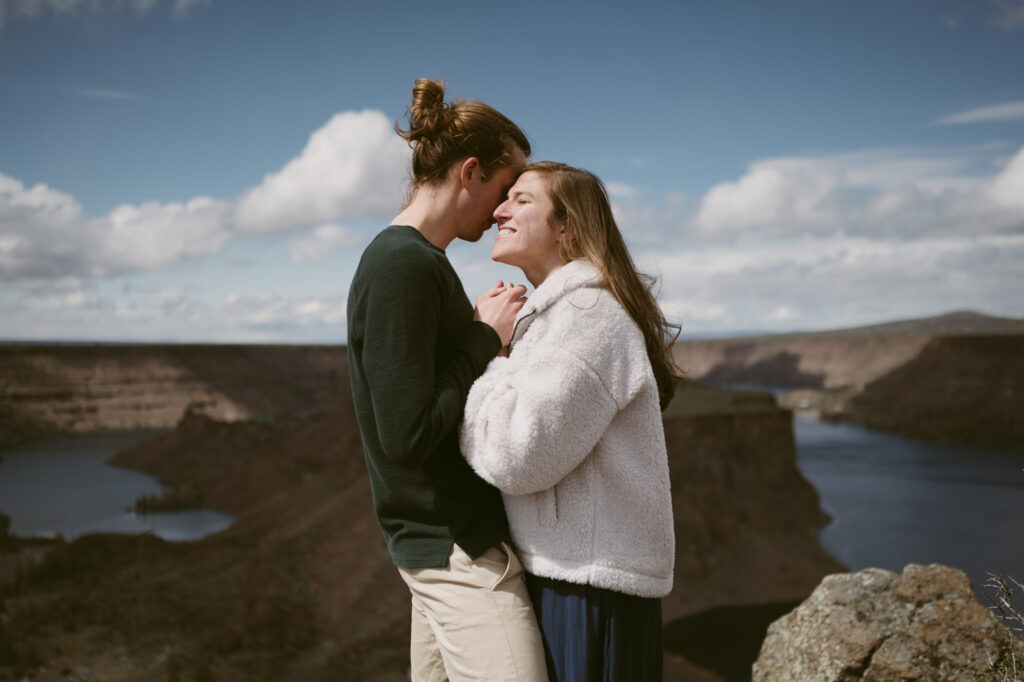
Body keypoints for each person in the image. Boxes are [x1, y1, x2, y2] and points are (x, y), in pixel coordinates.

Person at [346, 79, 548, 681]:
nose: (505, 210)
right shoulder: (403, 265)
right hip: (455, 551)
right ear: (470, 173)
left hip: (440, 546)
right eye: (505, 189)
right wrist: (484, 338)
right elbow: (406, 434)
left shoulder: (418, 262)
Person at [460, 161, 679, 681]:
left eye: (522, 199)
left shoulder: (588, 316)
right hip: (567, 574)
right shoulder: (557, 314)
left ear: (568, 226)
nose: (499, 209)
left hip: (590, 591)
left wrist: (490, 355)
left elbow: (518, 458)